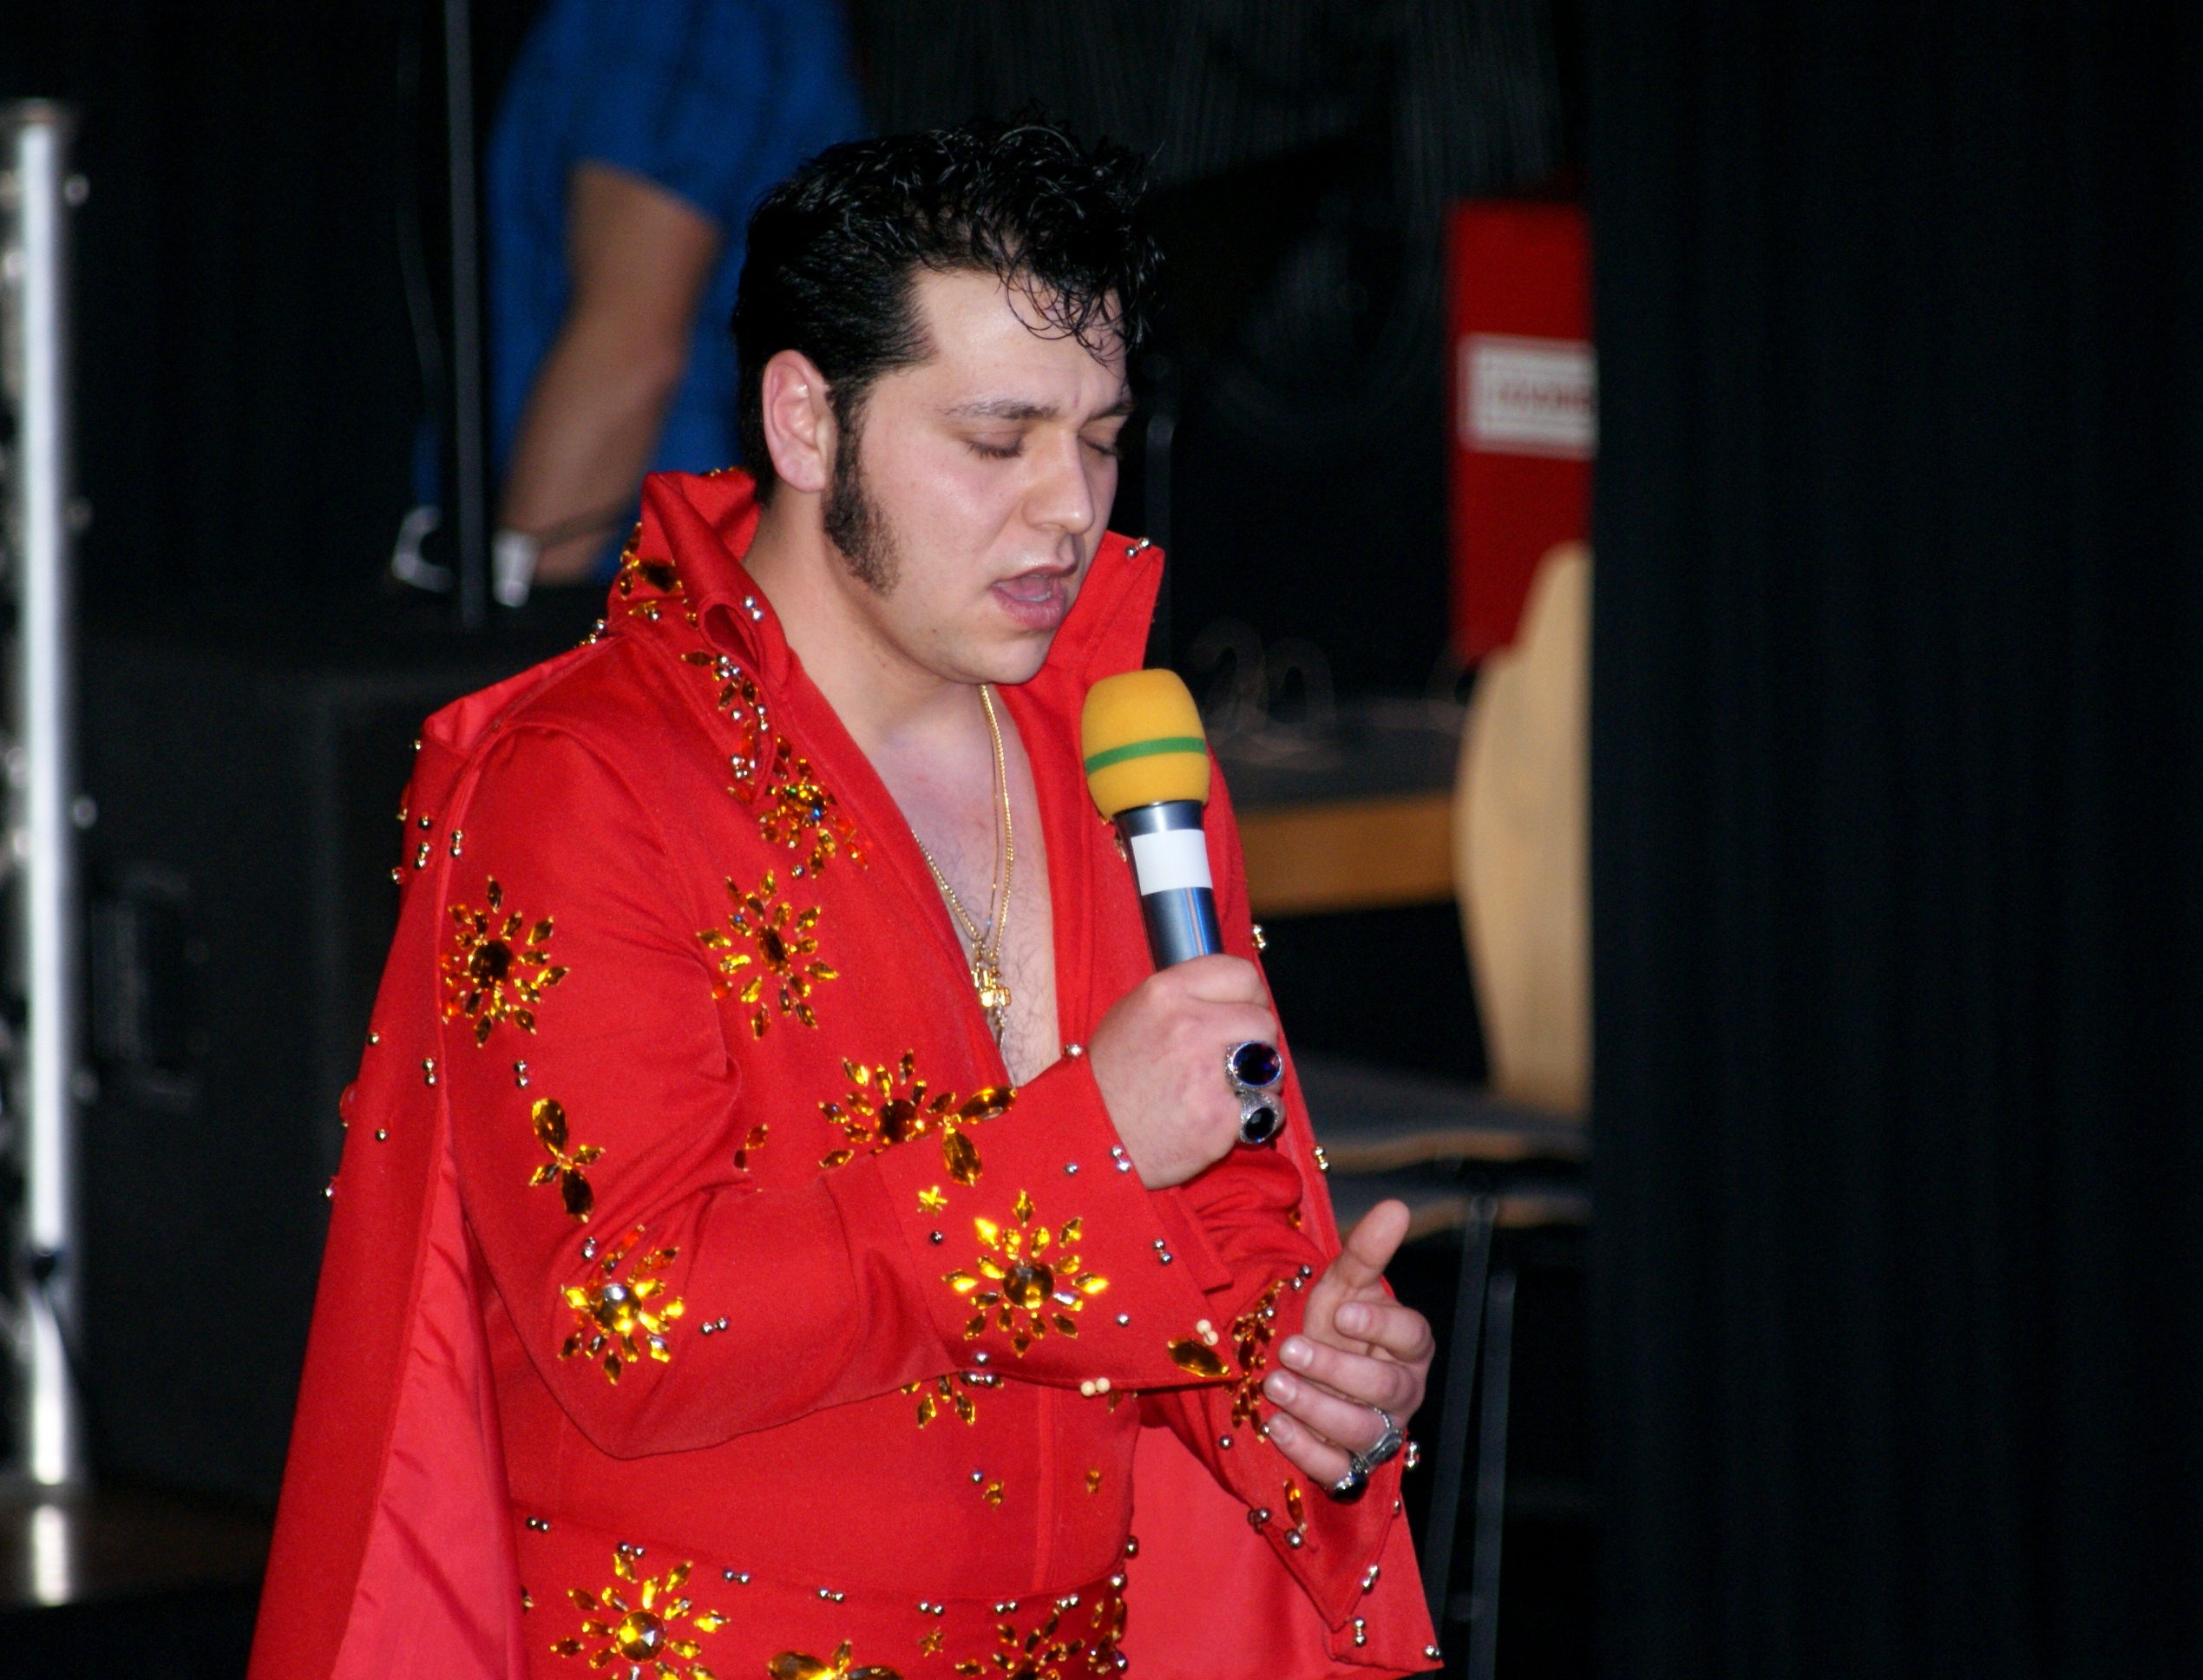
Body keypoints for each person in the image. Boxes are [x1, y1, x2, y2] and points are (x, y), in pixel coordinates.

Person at [252, 122, 1442, 1680]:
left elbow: (1210, 1221)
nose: (1069, 509)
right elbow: (630, 1328)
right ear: (806, 420)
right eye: (998, 439)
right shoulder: (587, 782)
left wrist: (1305, 1372)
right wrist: (1085, 1144)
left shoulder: (1125, 763)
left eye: (1099, 437)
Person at [484, 0, 866, 596]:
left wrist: (511, 602)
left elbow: (630, 354)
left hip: (641, 582)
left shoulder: (681, 15)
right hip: (693, 576)